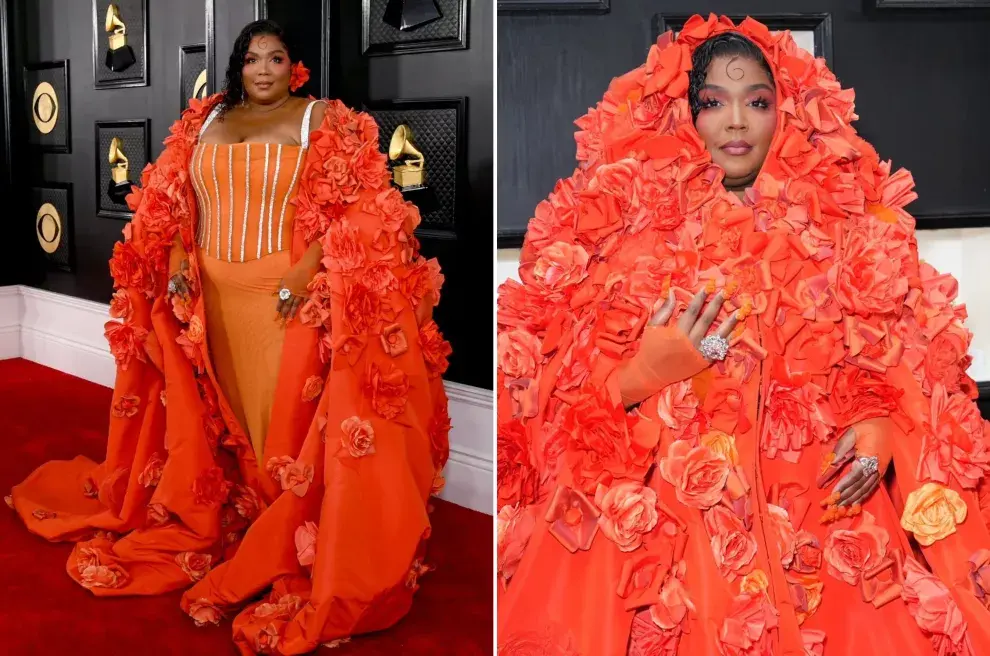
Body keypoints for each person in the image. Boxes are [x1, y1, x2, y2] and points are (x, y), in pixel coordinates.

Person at [496, 14, 990, 656]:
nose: (736, 122)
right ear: (680, 113)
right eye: (712, 103)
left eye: (757, 102)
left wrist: (881, 430)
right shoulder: (622, 235)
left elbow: (904, 371)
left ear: (786, 112)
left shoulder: (841, 231)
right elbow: (550, 407)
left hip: (817, 514)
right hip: (674, 526)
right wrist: (644, 374)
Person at [7, 19, 452, 655]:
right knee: (234, 412)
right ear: (237, 67)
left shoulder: (322, 120)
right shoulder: (206, 122)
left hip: (287, 299)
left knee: (286, 419)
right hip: (213, 300)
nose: (263, 70)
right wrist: (183, 260)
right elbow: (177, 202)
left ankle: (289, 525)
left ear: (294, 66)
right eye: (251, 59)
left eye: (275, 57)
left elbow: (360, 205)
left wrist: (305, 273)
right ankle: (254, 509)